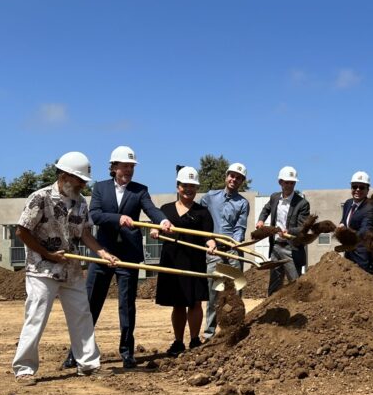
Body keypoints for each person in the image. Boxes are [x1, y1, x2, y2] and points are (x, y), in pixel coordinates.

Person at [12, 152, 119, 385]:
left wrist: (101, 252)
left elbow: (84, 233)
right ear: (64, 175)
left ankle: (89, 365)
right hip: (42, 269)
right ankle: (24, 369)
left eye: (83, 181)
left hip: (71, 269)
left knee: (82, 315)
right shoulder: (40, 198)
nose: (82, 184)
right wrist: (47, 253)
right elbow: (22, 231)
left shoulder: (81, 202)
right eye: (79, 180)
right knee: (36, 316)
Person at [64, 145, 172, 370]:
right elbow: (94, 215)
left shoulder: (139, 190)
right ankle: (76, 352)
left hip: (129, 256)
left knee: (127, 306)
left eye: (131, 167)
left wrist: (162, 221)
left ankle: (127, 353)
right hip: (103, 253)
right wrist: (118, 218)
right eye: (124, 166)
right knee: (91, 304)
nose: (128, 170)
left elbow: (151, 209)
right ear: (113, 167)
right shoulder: (100, 188)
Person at [150, 167, 216, 356]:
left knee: (195, 303)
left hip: (194, 262)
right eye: (185, 185)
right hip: (172, 261)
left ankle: (194, 340)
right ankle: (178, 342)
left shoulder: (202, 212)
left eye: (192, 186)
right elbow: (157, 229)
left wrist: (211, 244)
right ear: (178, 186)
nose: (189, 189)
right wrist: (155, 232)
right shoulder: (166, 210)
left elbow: (208, 236)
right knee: (178, 303)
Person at [200, 162, 249, 340]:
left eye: (238, 178)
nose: (234, 180)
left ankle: (234, 331)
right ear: (226, 176)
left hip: (233, 252)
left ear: (242, 181)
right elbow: (201, 218)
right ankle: (209, 334)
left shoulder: (243, 203)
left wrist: (235, 242)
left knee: (235, 292)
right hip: (213, 252)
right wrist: (208, 239)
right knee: (214, 294)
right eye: (232, 176)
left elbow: (240, 226)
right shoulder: (210, 197)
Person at [256, 166, 311, 296]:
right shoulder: (275, 197)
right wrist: (261, 220)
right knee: (274, 284)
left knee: (296, 283)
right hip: (276, 246)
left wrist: (289, 230)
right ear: (280, 182)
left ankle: (299, 310)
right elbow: (266, 209)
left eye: (292, 183)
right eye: (287, 182)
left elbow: (303, 227)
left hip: (290, 248)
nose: (290, 185)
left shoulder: (302, 203)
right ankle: (272, 311)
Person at [337, 171, 373, 274]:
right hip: (349, 255)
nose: (357, 190)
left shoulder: (370, 209)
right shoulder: (348, 203)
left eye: (361, 187)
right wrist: (342, 225)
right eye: (355, 186)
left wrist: (348, 238)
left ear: (367, 189)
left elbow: (365, 231)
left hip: (363, 257)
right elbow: (345, 220)